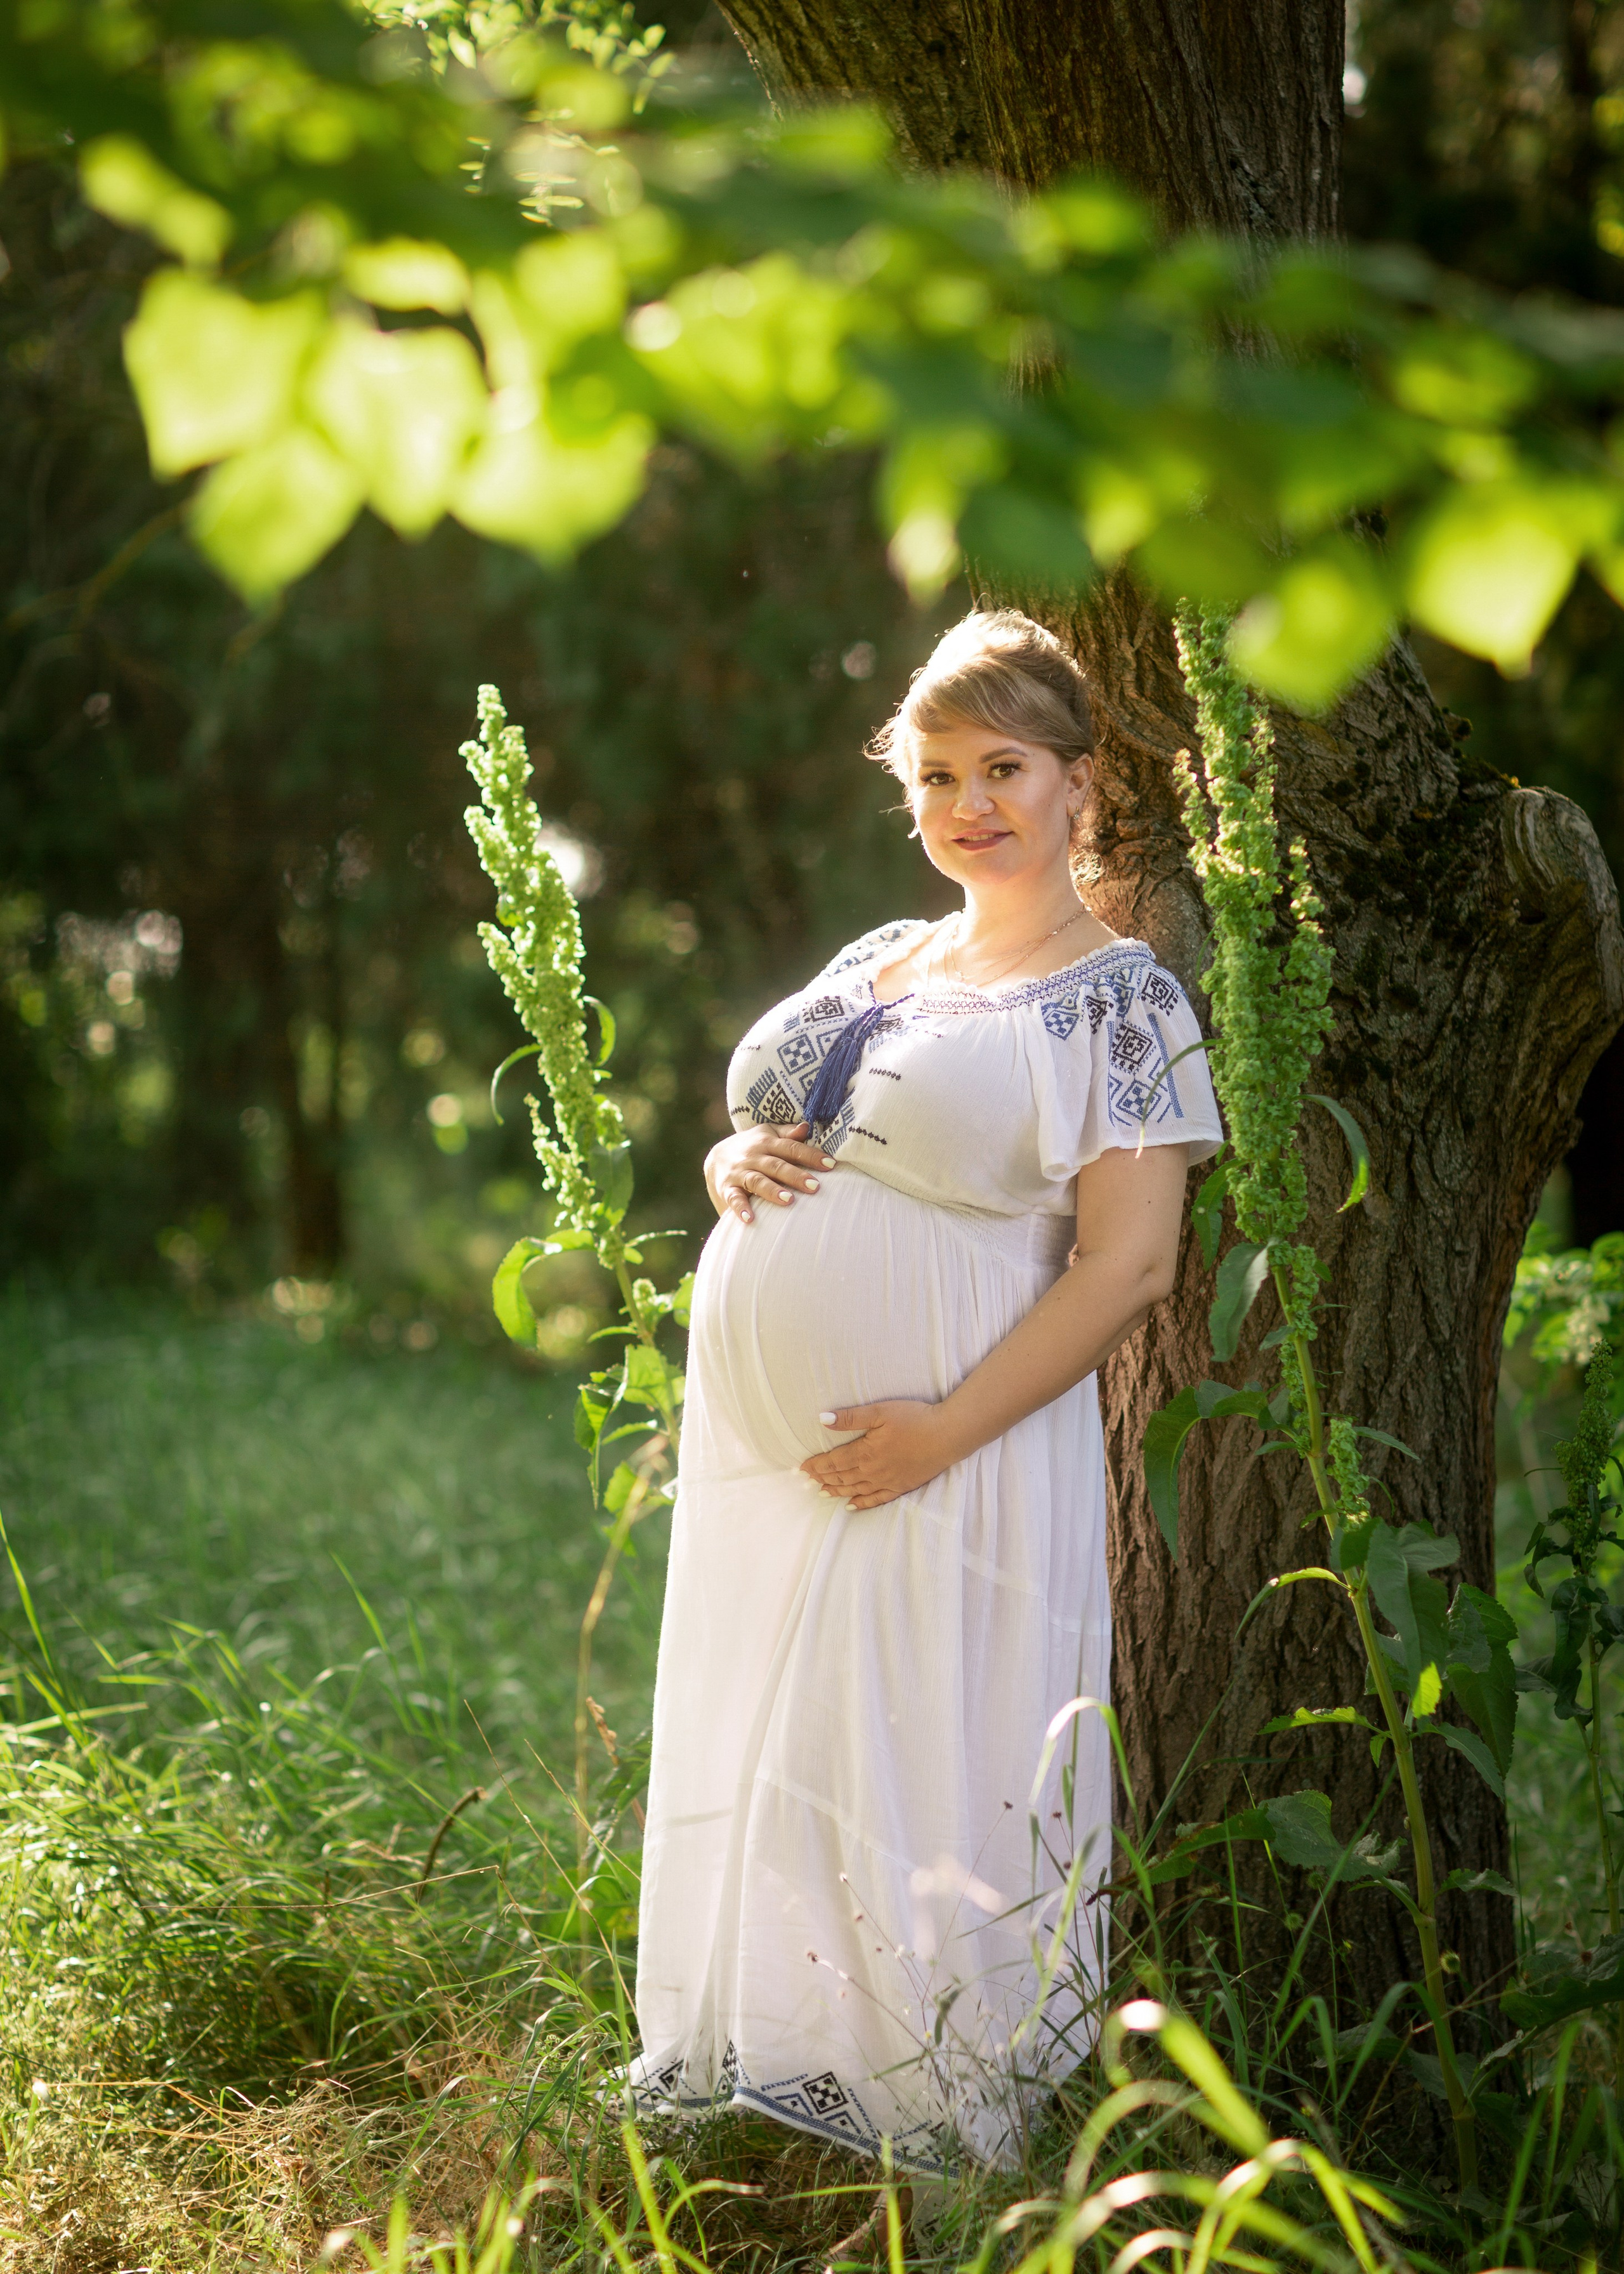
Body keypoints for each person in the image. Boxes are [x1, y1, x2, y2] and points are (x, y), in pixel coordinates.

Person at [630, 610, 1222, 2182]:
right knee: (785, 1727)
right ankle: (778, 2062)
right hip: (782, 1458)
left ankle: (926, 2107)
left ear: (1079, 782)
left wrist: (940, 1431)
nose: (969, 803)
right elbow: (779, 1117)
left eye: (1004, 768)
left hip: (955, 1433)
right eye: (938, 771)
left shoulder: (1121, 999)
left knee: (913, 1737)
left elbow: (1127, 1266)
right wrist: (722, 1157)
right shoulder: (879, 957)